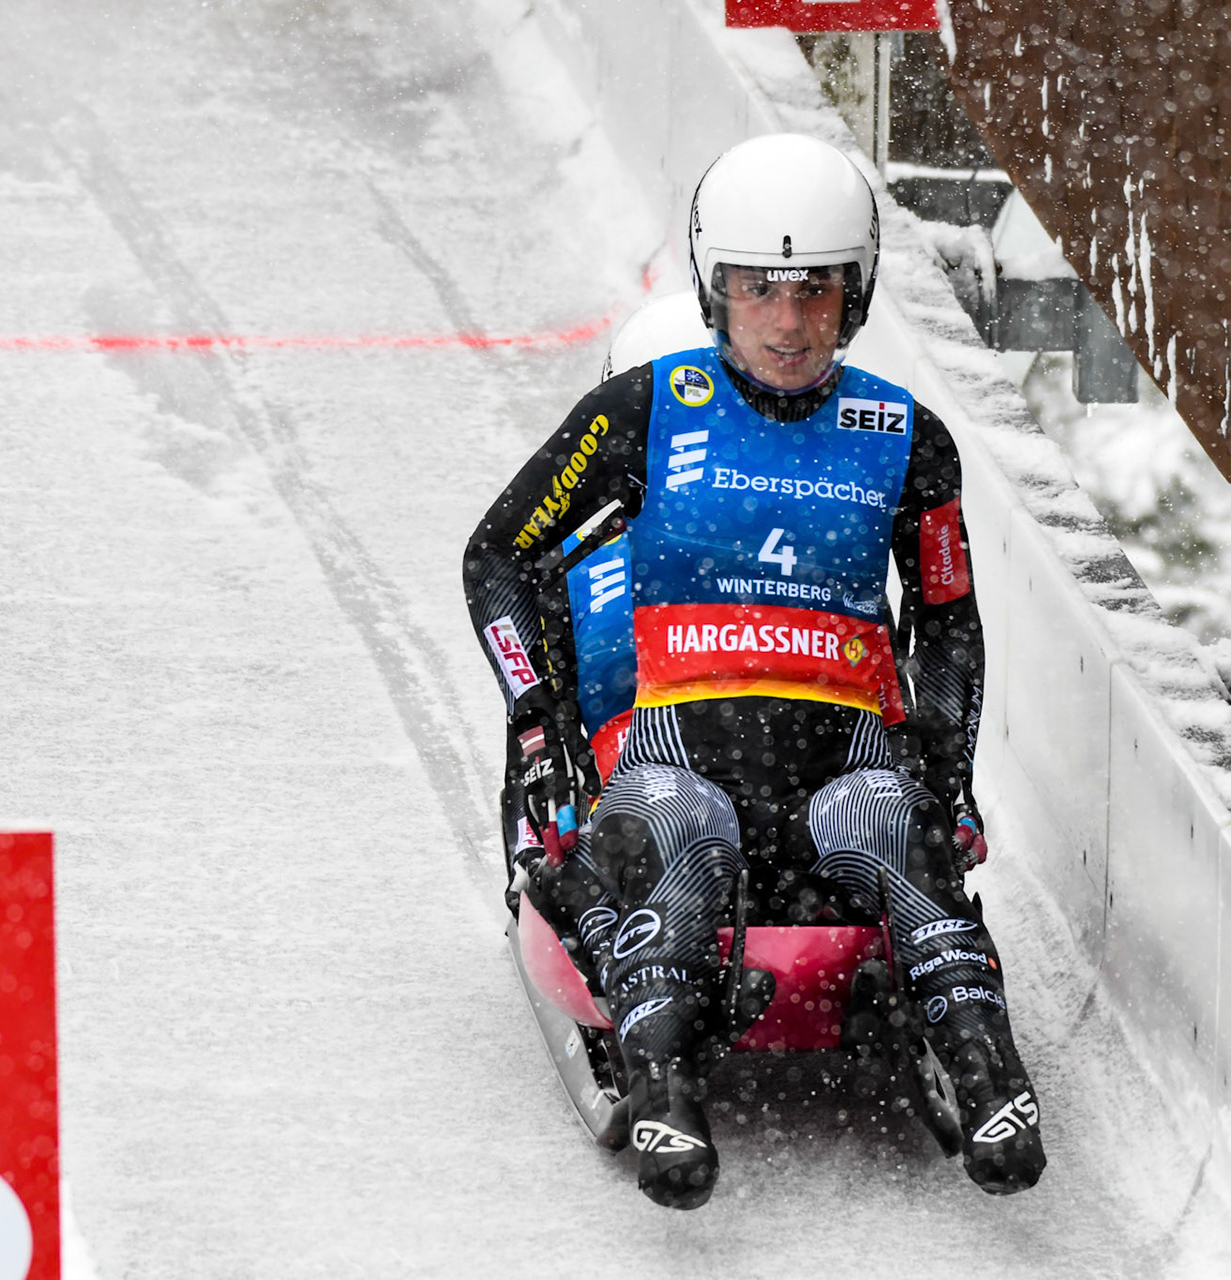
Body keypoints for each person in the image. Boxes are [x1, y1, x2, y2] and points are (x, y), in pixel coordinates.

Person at [463, 133, 1045, 1209]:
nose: (786, 322)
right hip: (679, 761)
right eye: (757, 290)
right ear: (714, 289)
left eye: (814, 291)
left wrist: (947, 775)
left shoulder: (907, 438)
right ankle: (665, 1083)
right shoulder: (642, 410)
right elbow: (499, 555)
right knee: (670, 834)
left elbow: (947, 618)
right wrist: (539, 729)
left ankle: (987, 1068)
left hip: (843, 766)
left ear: (854, 291)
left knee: (898, 827)